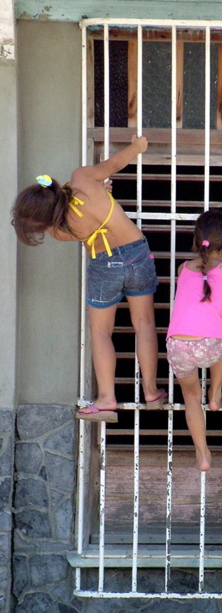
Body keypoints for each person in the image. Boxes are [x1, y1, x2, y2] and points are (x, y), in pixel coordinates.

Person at [11, 135, 167, 422]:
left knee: (100, 333)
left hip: (104, 265)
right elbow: (115, 163)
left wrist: (100, 192)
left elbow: (71, 213)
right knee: (144, 324)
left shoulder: (59, 231)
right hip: (136, 254)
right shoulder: (82, 179)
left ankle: (107, 397)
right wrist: (137, 147)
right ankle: (151, 391)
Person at [166, 210, 222, 472]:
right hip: (209, 347)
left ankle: (202, 455)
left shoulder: (183, 268)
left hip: (176, 346)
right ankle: (214, 395)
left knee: (191, 398)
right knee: (221, 328)